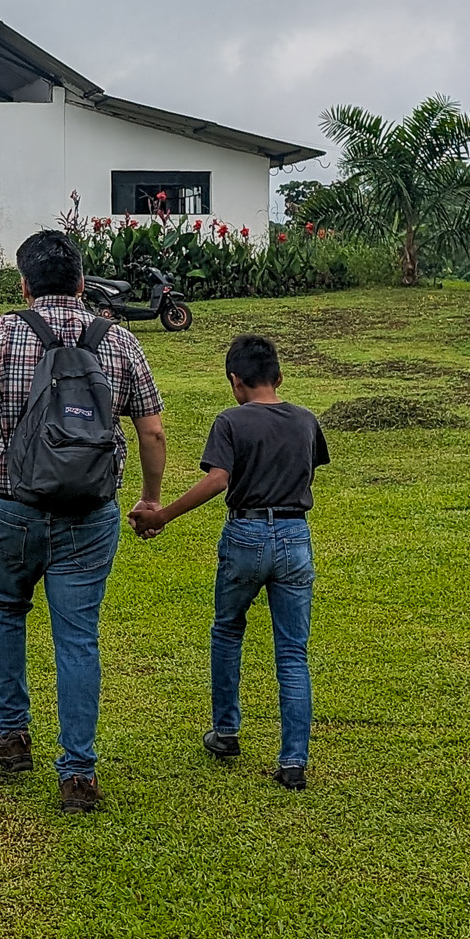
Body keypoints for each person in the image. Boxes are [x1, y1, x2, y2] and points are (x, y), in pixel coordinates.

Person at [0, 230, 167, 814]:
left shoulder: (3, 332)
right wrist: (151, 498)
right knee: (78, 636)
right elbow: (151, 429)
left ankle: (11, 736)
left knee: (4, 611)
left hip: (13, 506)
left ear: (25, 285)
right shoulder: (120, 341)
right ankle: (78, 771)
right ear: (83, 283)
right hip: (90, 511)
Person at [130, 334, 328, 791]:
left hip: (246, 534)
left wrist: (162, 515)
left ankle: (226, 731)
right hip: (296, 535)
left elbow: (219, 480)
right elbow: (307, 470)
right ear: (279, 377)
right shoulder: (305, 420)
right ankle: (294, 760)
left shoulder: (231, 421)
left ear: (235, 382)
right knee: (293, 651)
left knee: (227, 629)